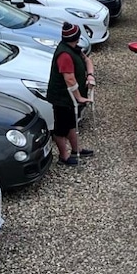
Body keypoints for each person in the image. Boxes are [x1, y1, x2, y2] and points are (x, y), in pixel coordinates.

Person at [47, 21, 95, 166]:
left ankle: (76, 150)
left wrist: (90, 75)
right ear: (77, 37)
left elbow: (87, 60)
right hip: (62, 98)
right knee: (61, 128)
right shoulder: (64, 55)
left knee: (71, 124)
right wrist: (79, 97)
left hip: (69, 99)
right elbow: (69, 78)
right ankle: (64, 157)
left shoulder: (73, 49)